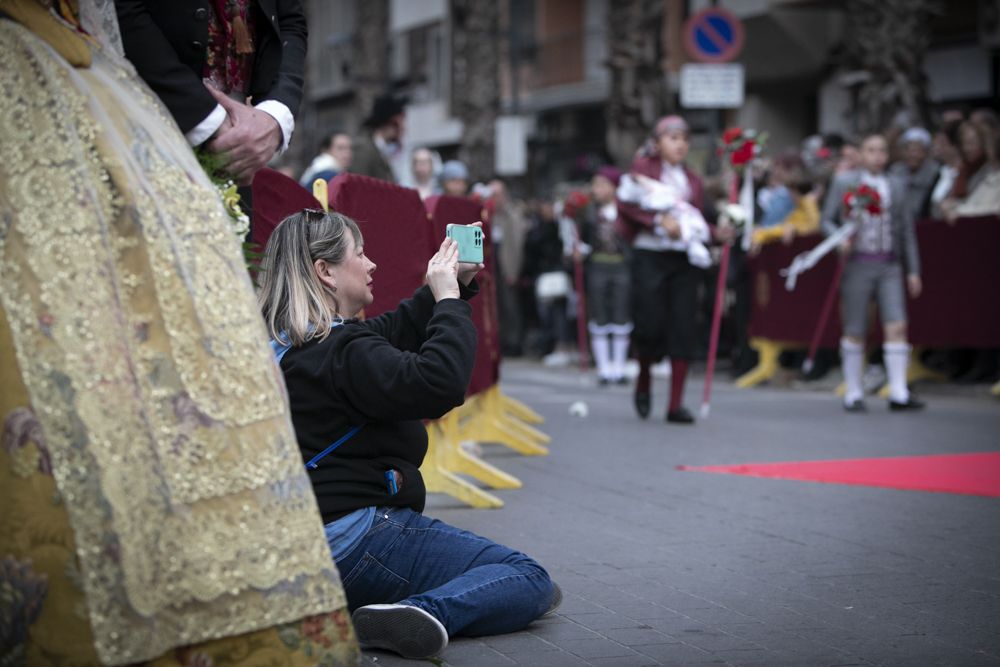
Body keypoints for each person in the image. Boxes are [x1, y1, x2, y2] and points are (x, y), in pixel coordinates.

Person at [0, 2, 356, 664]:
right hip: (132, 109)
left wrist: (272, 117)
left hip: (205, 139)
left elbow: (289, 20)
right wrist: (212, 118)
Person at [257, 210, 558, 659]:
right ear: (325, 271)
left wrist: (453, 283)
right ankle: (417, 612)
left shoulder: (288, 345)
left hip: (300, 544)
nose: (371, 263)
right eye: (359, 253)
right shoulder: (345, 352)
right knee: (526, 578)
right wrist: (451, 303)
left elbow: (394, 330)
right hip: (357, 541)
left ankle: (368, 607)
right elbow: (438, 383)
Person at [115, 0, 307, 186]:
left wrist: (274, 114)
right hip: (146, 126)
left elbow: (288, 20)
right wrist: (207, 119)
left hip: (245, 146)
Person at [617, 115, 717, 424]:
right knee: (650, 324)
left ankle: (675, 404)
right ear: (657, 143)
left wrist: (719, 232)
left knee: (684, 325)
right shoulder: (642, 172)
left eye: (684, 139)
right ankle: (644, 377)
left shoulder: (693, 180)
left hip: (684, 259)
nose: (680, 144)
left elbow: (698, 220)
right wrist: (658, 221)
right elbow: (626, 205)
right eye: (673, 138)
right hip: (651, 256)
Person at [821, 133, 924, 412]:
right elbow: (827, 219)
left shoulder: (896, 185)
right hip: (858, 263)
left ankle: (898, 390)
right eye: (871, 150)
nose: (877, 156)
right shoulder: (845, 182)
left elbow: (905, 229)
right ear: (861, 153)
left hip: (890, 263)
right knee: (855, 327)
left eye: (881, 150)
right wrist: (839, 241)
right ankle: (853, 390)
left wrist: (913, 270)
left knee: (897, 324)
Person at [577, 166, 632, 385]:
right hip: (598, 265)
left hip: (621, 266)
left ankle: (618, 366)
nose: (596, 189)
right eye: (595, 184)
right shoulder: (588, 213)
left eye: (601, 184)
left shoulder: (626, 212)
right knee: (599, 312)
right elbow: (583, 239)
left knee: (621, 312)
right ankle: (603, 367)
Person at [352, 93, 406, 183]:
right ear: (389, 123)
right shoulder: (363, 150)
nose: (403, 128)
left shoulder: (385, 150)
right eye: (400, 123)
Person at [888, 127, 939, 221]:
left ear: (925, 152)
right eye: (910, 150)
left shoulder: (935, 172)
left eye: (918, 151)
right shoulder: (895, 171)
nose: (913, 155)